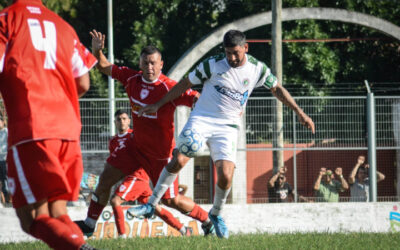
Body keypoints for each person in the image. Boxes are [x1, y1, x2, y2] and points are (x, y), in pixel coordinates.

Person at [132, 29, 315, 238]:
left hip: (228, 126)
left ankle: (216, 214)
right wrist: (158, 104)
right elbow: (185, 83)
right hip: (202, 118)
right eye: (228, 53)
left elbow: (277, 89)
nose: (232, 58)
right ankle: (151, 205)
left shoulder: (257, 68)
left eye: (236, 53)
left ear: (246, 48)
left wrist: (299, 112)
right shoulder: (213, 64)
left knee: (226, 176)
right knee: (181, 157)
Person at [75, 30, 214, 237]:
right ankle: (89, 224)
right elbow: (104, 67)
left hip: (161, 156)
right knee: (105, 180)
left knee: (171, 200)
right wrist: (97, 50)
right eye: (146, 63)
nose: (150, 67)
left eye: (153, 63)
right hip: (135, 146)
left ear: (161, 64)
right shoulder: (132, 79)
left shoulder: (170, 87)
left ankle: (208, 221)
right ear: (140, 64)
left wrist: (203, 113)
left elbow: (195, 98)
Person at [0, 1, 97, 249]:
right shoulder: (63, 26)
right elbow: (83, 82)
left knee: (29, 217)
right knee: (57, 211)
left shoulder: (6, 20)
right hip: (68, 129)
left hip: (32, 128)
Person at [108, 110, 192, 237]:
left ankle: (122, 238)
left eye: (124, 118)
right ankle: (184, 230)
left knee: (115, 201)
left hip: (137, 176)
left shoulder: (135, 136)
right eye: (119, 119)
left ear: (129, 121)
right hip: (132, 178)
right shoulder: (113, 142)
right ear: (115, 122)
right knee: (156, 209)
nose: (122, 121)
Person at [0, 117, 9, 204]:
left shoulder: (6, 131)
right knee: (1, 179)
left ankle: (9, 196)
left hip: (5, 158)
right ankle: (4, 198)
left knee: (6, 177)